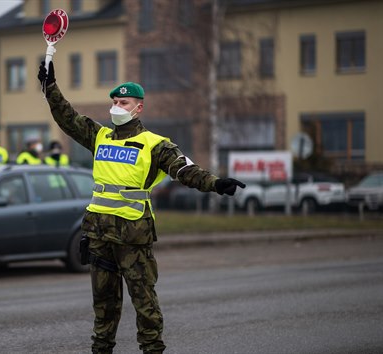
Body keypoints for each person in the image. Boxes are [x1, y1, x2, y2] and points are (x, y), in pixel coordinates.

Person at [38, 61, 245, 354]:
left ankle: (152, 350)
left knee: (144, 303)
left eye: (124, 102)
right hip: (99, 236)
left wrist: (215, 183)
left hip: (133, 238)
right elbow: (67, 117)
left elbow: (184, 169)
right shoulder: (99, 136)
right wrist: (50, 88)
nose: (116, 106)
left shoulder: (155, 144)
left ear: (138, 108)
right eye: (114, 101)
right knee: (103, 305)